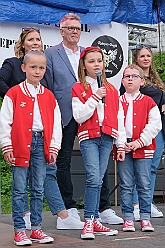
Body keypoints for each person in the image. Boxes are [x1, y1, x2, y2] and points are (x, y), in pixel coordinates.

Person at [0, 27, 83, 231]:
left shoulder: (47, 92)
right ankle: (22, 225)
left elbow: (53, 115)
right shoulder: (13, 78)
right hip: (21, 136)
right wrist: (14, 96)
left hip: (43, 137)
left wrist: (53, 143)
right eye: (31, 39)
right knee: (20, 186)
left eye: (38, 39)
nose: (37, 71)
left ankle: (40, 225)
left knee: (41, 182)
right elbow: (5, 117)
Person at [45, 13, 123, 225]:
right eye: (70, 28)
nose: (74, 31)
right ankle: (69, 209)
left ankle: (103, 207)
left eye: (77, 28)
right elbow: (49, 86)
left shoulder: (88, 54)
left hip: (95, 116)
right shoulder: (51, 53)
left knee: (99, 163)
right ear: (61, 30)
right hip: (65, 113)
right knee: (63, 161)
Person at [0, 50, 58, 245]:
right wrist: (6, 145)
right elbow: (5, 121)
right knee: (18, 189)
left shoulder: (49, 96)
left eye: (41, 68)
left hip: (42, 143)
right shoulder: (13, 93)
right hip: (20, 144)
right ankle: (19, 230)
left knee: (38, 188)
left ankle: (36, 229)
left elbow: (55, 124)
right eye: (33, 67)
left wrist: (54, 147)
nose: (37, 71)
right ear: (24, 68)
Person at [72, 46, 126, 239]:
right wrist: (95, 97)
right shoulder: (79, 87)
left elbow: (119, 117)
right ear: (84, 65)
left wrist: (120, 144)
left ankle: (94, 221)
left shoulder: (111, 89)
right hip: (89, 137)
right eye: (91, 61)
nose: (96, 65)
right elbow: (79, 116)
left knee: (99, 178)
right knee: (93, 177)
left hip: (107, 137)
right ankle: (88, 221)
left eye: (99, 61)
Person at [120, 45, 165, 220]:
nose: (146, 58)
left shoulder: (156, 79)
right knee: (131, 172)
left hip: (154, 128)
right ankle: (135, 204)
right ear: (136, 59)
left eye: (148, 55)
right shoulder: (131, 78)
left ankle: (147, 203)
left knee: (151, 167)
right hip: (134, 129)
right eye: (142, 56)